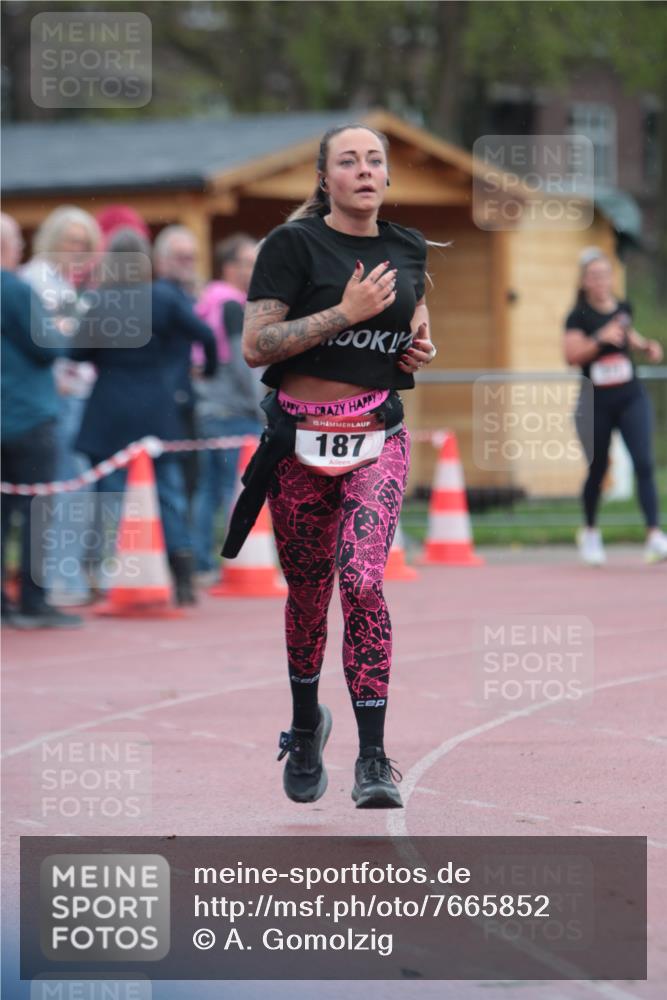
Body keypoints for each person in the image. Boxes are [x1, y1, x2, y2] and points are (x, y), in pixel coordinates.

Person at [234, 123, 436, 809]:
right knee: (308, 596)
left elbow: (413, 317)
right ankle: (303, 723)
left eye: (375, 159)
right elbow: (256, 346)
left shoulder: (405, 246)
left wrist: (415, 347)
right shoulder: (291, 246)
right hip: (297, 445)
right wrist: (341, 312)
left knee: (361, 579)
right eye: (347, 161)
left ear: (386, 175)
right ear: (325, 178)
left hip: (374, 438)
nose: (364, 170)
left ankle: (374, 758)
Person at [69, 229, 216, 605]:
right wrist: (203, 371)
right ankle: (181, 576)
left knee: (111, 494)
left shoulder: (100, 301)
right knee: (167, 491)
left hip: (109, 409)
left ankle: (112, 574)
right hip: (156, 408)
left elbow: (78, 354)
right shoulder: (164, 297)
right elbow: (205, 335)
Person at [1, 213, 82, 628]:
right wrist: (63, 328)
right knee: (37, 513)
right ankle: (34, 600)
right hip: (28, 417)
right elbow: (47, 347)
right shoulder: (16, 289)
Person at [564, 246, 667, 565]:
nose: (601, 281)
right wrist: (599, 338)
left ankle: (653, 534)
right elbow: (571, 355)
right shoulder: (577, 315)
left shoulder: (623, 308)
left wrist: (648, 347)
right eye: (594, 276)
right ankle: (591, 531)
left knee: (644, 463)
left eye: (605, 275)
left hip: (630, 395)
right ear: (584, 282)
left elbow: (630, 337)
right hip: (596, 401)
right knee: (598, 469)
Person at [20, 205, 102, 604]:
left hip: (78, 398)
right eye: (73, 241)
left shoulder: (65, 284)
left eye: (85, 243)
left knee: (77, 489)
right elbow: (40, 342)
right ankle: (55, 582)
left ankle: (66, 579)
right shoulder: (35, 280)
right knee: (64, 491)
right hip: (54, 401)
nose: (79, 249)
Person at [191, 234, 263, 578]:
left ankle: (201, 561)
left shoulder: (207, 301)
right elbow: (243, 363)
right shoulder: (234, 306)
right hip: (234, 411)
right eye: (248, 263)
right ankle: (240, 561)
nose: (254, 270)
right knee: (234, 490)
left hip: (207, 408)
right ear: (229, 267)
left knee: (207, 489)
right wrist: (263, 407)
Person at [153, 225, 217, 508]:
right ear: (161, 261)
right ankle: (179, 548)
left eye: (192, 257)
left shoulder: (191, 298)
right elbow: (206, 336)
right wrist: (209, 370)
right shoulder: (165, 295)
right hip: (170, 399)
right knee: (176, 478)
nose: (188, 264)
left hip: (184, 396)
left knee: (191, 477)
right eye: (181, 257)